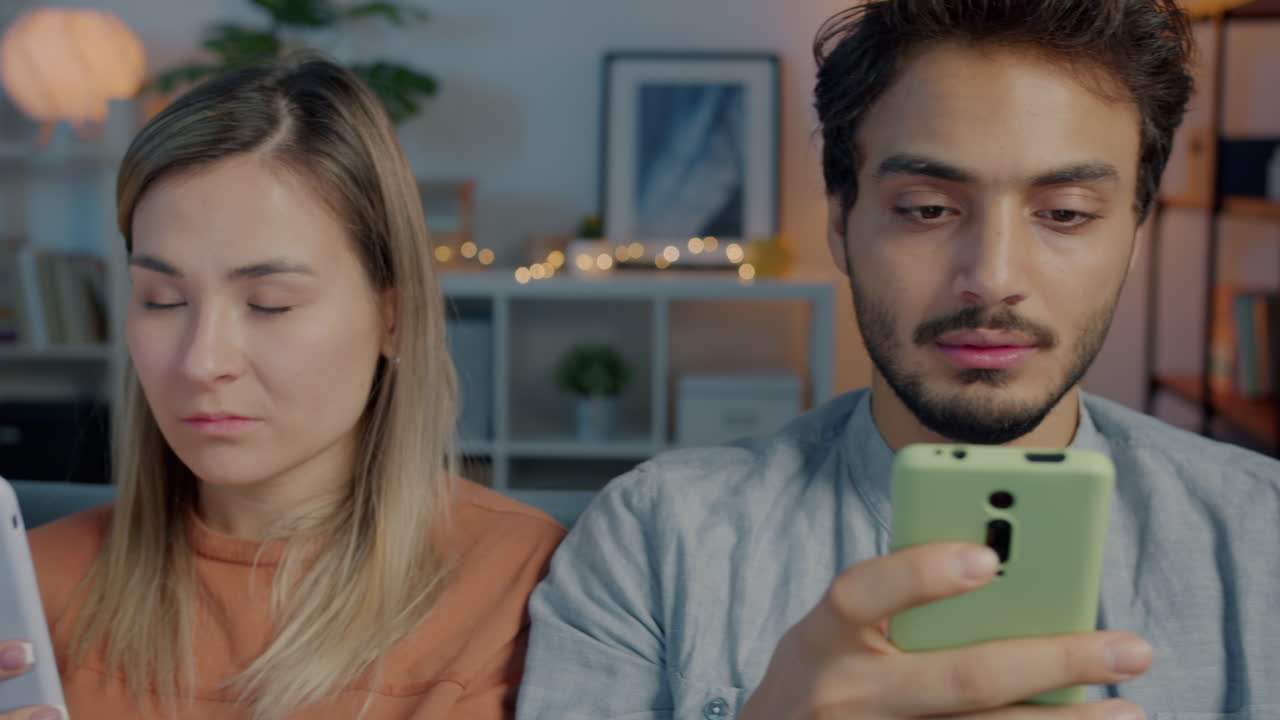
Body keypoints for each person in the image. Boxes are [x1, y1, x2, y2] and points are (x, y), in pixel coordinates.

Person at [516, 1, 1280, 718]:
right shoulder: (653, 539)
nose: (993, 275)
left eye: (1066, 214)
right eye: (926, 209)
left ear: (1136, 235)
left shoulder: (1261, 534)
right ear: (841, 223)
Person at [0, 55, 565, 720]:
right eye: (161, 298)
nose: (201, 361)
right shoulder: (25, 597)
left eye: (269, 303)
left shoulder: (535, 594)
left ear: (394, 316)